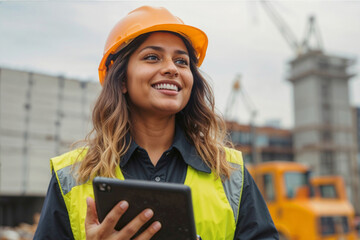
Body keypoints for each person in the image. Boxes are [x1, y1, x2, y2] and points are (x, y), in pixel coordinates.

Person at [34, 5, 279, 240]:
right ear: (120, 80)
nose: (172, 68)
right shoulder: (72, 176)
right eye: (152, 57)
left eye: (182, 61)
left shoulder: (229, 173)